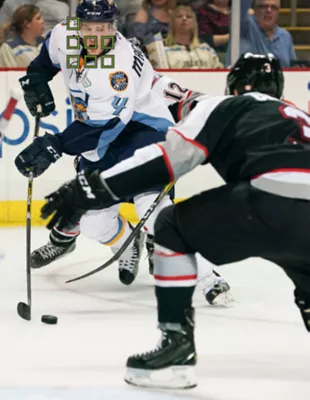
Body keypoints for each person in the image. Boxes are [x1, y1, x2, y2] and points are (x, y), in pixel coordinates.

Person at [39, 53, 310, 389]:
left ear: (234, 85)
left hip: (267, 198)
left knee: (168, 226)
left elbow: (169, 158)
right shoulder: (301, 115)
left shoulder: (226, 105)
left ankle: (176, 348)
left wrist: (93, 188)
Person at [14, 0, 232, 305]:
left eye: (102, 29)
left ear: (114, 28)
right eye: (88, 28)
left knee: (151, 209)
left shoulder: (118, 64)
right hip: (103, 139)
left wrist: (56, 145)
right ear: (78, 25)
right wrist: (36, 79)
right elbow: (47, 60)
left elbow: (103, 126)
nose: (94, 35)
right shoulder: (64, 34)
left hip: (144, 132)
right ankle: (129, 243)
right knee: (93, 223)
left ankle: (209, 277)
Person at [226, 0, 296, 68]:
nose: (269, 10)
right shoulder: (244, 27)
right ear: (255, 10)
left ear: (278, 12)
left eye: (274, 7)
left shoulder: (285, 36)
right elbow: (240, 6)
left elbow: (294, 67)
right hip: (247, 79)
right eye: (264, 6)